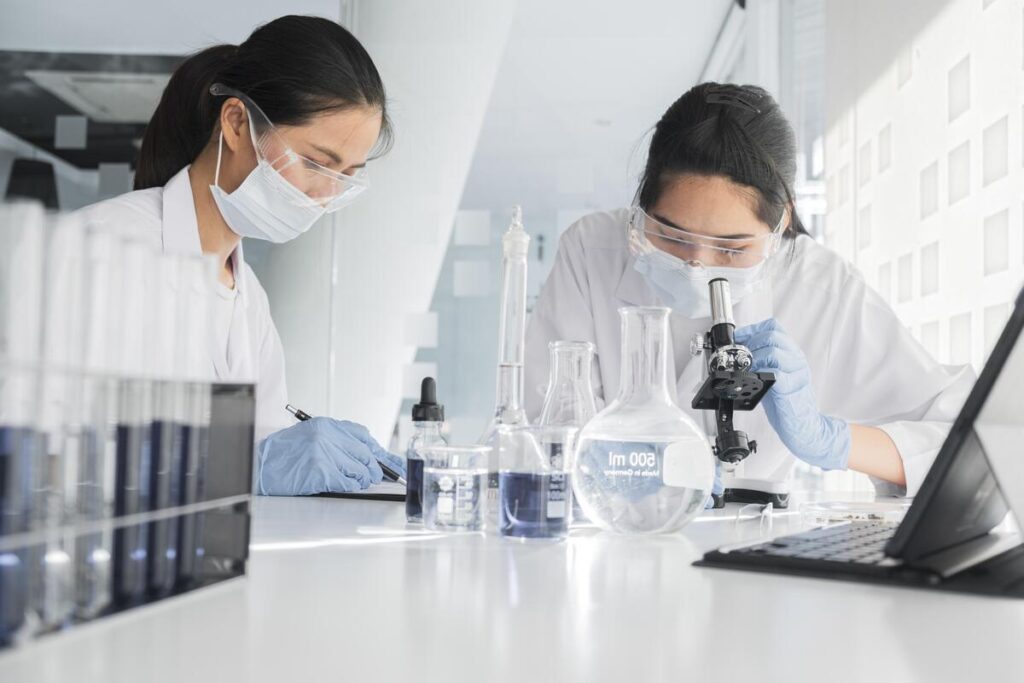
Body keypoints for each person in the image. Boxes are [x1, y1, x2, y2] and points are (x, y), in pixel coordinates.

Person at [524, 82, 974, 503]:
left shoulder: (822, 289)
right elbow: (541, 428)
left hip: (754, 539)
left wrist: (827, 438)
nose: (696, 266)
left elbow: (969, 449)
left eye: (732, 248)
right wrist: (636, 469)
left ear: (780, 224)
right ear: (643, 204)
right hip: (614, 532)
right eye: (673, 236)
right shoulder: (592, 252)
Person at [76, 15, 404, 495]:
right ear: (235, 123)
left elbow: (260, 459)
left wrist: (292, 455)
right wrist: (248, 465)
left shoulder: (249, 300)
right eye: (316, 163)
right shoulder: (101, 249)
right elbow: (50, 453)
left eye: (346, 176)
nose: (326, 194)